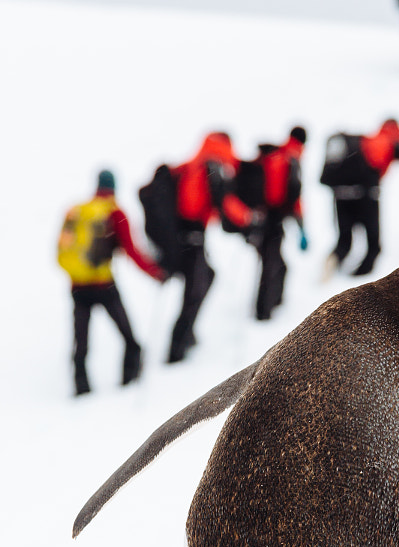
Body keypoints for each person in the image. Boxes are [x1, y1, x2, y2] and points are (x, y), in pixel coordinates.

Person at [57, 169, 166, 396]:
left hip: (78, 287)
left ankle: (81, 389)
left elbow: (62, 250)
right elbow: (132, 250)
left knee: (81, 343)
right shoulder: (114, 214)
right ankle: (128, 383)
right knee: (129, 337)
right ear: (113, 187)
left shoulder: (78, 211)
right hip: (104, 286)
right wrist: (155, 272)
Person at [167, 132, 261, 363]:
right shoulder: (213, 166)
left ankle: (184, 337)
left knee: (204, 279)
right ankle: (176, 350)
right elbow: (224, 202)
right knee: (195, 291)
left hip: (182, 238)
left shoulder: (193, 165)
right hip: (192, 239)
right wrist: (248, 219)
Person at [322, 119, 399, 277]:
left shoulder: (363, 141)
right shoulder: (391, 142)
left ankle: (328, 272)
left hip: (342, 195)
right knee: (373, 246)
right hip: (367, 198)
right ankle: (358, 279)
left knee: (344, 241)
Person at [253, 126, 308, 321]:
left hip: (260, 218)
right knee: (272, 265)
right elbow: (294, 196)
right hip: (272, 220)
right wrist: (302, 228)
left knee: (276, 265)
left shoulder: (275, 154)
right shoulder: (291, 157)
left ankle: (272, 305)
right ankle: (263, 313)